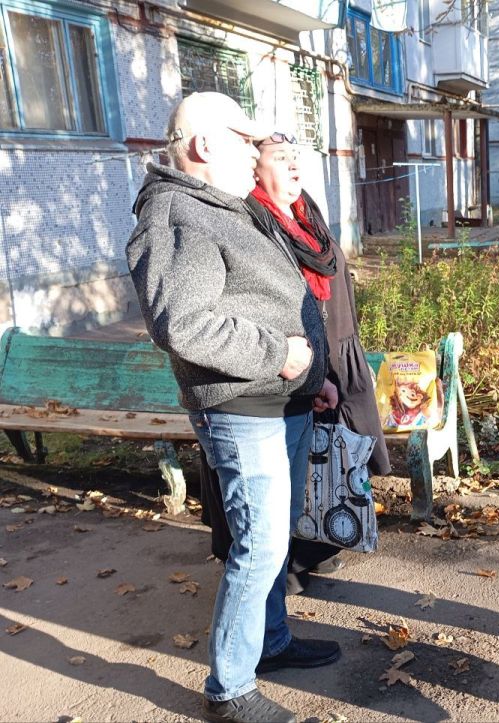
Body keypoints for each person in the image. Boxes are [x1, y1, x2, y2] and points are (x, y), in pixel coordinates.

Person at [127, 92, 341, 723]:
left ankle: (269, 643)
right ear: (204, 146)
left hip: (283, 401)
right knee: (260, 545)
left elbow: (260, 294)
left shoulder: (219, 206)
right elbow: (184, 322)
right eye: (245, 141)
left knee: (273, 545)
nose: (258, 153)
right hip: (244, 408)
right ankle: (229, 689)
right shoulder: (174, 214)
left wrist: (311, 381)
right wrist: (279, 356)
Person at [246, 131, 391, 591]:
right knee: (297, 466)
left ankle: (319, 544)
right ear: (254, 166)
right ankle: (285, 559)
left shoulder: (306, 209)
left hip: (338, 349)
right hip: (294, 358)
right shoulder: (252, 218)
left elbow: (338, 282)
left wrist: (354, 353)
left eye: (296, 157)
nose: (293, 166)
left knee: (344, 454)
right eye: (280, 158)